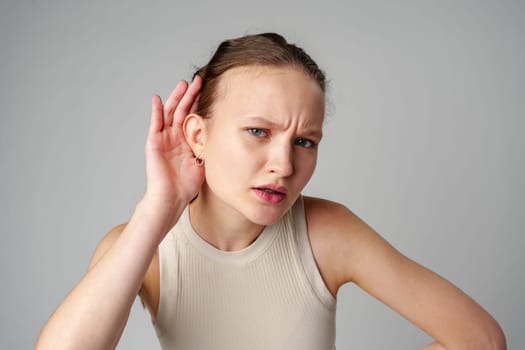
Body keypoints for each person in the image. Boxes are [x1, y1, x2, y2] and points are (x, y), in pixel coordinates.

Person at [36, 33, 506, 350]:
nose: (284, 165)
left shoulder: (329, 233)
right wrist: (159, 207)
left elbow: (481, 339)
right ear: (198, 136)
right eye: (258, 132)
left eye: (304, 142)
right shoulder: (142, 248)